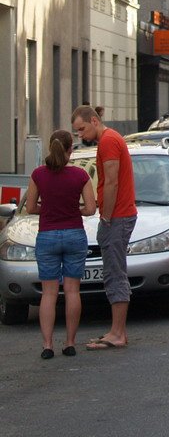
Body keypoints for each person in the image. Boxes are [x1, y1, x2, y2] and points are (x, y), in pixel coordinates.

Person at [25, 130, 97, 358]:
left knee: (48, 294)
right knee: (72, 290)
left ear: (50, 147)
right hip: (74, 234)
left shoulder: (38, 175)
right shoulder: (80, 175)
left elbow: (29, 208)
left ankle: (47, 345)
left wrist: (46, 209)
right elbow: (91, 209)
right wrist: (75, 209)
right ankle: (70, 342)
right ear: (70, 150)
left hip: (47, 236)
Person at [71, 104, 136, 351]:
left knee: (114, 273)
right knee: (113, 272)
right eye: (76, 132)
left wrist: (106, 215)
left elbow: (111, 182)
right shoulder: (111, 138)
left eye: (81, 129)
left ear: (94, 122)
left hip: (117, 216)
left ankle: (118, 333)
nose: (80, 135)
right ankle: (116, 331)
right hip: (119, 214)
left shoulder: (108, 141)